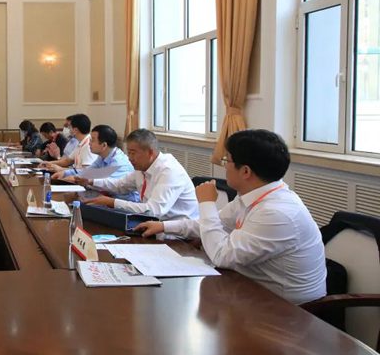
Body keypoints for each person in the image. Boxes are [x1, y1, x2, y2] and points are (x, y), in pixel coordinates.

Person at [136, 129, 326, 304]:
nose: (224, 167)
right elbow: (213, 224)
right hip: (250, 288)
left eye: (227, 161)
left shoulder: (277, 213)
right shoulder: (255, 195)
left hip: (288, 310)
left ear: (246, 171)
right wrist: (164, 226)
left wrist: (207, 203)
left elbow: (221, 255)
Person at [78, 128, 198, 222]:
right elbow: (120, 185)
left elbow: (153, 211)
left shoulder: (169, 171)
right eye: (128, 153)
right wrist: (91, 181)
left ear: (150, 153)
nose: (129, 158)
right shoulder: (142, 167)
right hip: (153, 224)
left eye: (133, 153)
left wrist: (112, 202)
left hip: (177, 234)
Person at [53, 125, 140, 202]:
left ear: (104, 145)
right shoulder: (103, 156)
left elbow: (110, 186)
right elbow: (88, 172)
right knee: (69, 196)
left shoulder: (119, 162)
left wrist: (83, 180)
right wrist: (65, 173)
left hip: (121, 202)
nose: (89, 143)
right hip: (106, 196)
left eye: (92, 140)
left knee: (73, 198)